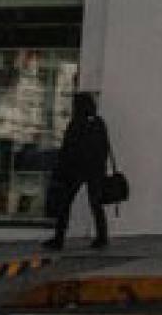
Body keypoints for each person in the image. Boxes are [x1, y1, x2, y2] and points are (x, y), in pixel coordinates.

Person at [47, 91, 113, 250]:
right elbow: (105, 147)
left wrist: (61, 168)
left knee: (65, 203)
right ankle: (102, 237)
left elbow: (68, 149)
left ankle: (59, 238)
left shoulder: (76, 123)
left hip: (75, 171)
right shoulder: (98, 122)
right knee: (96, 204)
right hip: (95, 171)